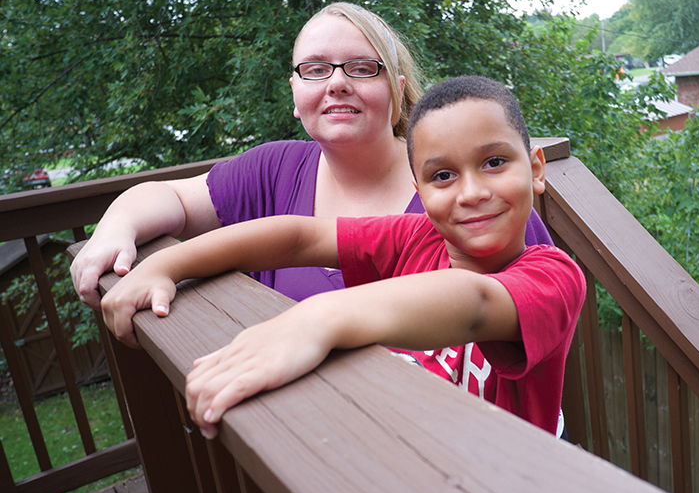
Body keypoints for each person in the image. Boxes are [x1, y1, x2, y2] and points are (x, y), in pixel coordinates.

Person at [100, 75, 586, 440]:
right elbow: (297, 238)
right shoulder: (414, 238)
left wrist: (316, 319)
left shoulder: (554, 277)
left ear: (536, 168)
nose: (472, 192)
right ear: (418, 187)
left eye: (494, 162)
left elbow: (479, 303)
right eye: (442, 176)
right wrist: (167, 265)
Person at [70, 2, 553, 307]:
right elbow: (168, 197)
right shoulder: (275, 169)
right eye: (316, 69)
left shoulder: (470, 199)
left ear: (398, 90)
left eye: (363, 68)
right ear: (294, 92)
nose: (338, 82)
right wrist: (115, 231)